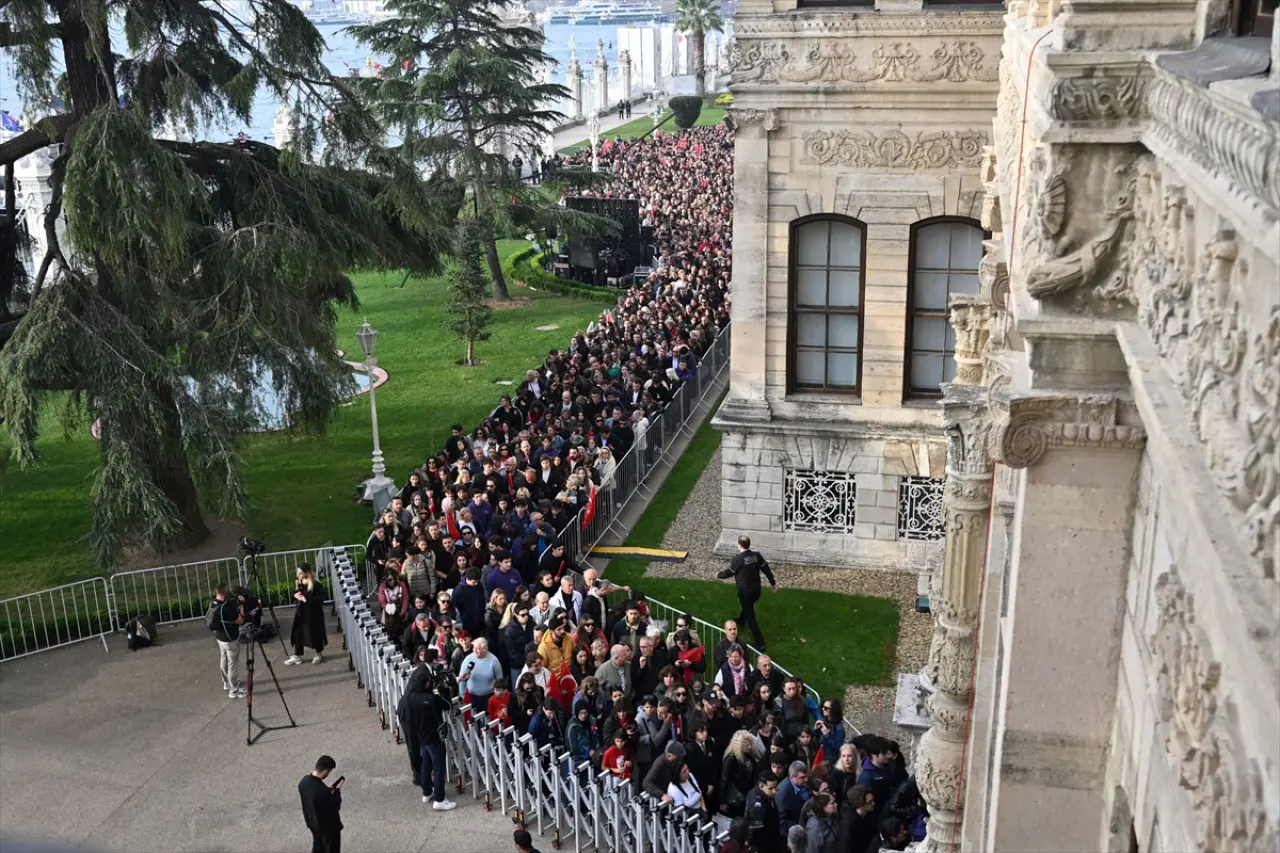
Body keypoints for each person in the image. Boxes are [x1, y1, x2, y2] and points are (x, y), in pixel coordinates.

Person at [716, 535, 777, 650]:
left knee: (751, 616)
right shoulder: (756, 556)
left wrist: (718, 575)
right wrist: (773, 583)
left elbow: (728, 572)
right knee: (747, 606)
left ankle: (760, 642)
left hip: (745, 592)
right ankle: (741, 620)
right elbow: (766, 569)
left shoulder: (738, 559)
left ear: (739, 545)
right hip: (756, 591)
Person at [206, 582, 244, 698]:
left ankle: (226, 683)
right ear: (225, 592)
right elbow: (240, 620)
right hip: (230, 638)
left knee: (224, 659)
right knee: (233, 663)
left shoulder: (213, 602)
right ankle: (234, 690)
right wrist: (241, 605)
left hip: (219, 637)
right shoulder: (226, 608)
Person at [298, 755, 343, 853]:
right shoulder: (322, 792)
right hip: (328, 830)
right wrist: (337, 791)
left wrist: (328, 791)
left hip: (313, 824)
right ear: (326, 771)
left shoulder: (303, 782)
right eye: (329, 771)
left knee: (318, 848)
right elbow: (335, 806)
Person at [286, 563, 327, 665]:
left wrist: (306, 599)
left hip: (313, 613)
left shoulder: (315, 584)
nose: (299, 575)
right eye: (298, 573)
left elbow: (320, 599)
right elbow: (295, 593)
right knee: (298, 632)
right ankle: (297, 655)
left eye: (301, 573)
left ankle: (318, 653)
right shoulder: (299, 582)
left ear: (306, 573)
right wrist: (296, 595)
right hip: (301, 612)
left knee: (314, 632)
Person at [458, 636, 504, 713]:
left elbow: (500, 680)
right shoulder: (468, 659)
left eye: (478, 648)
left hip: (489, 697)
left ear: (485, 649)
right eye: (474, 648)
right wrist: (462, 695)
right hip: (472, 697)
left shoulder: (494, 660)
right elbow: (461, 679)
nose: (475, 650)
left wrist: (499, 696)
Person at [745, 770, 782, 853]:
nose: (774, 791)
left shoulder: (761, 794)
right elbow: (755, 833)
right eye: (771, 788)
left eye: (776, 787)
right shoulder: (758, 808)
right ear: (761, 786)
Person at [775, 760, 811, 841]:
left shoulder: (801, 784)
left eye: (806, 776)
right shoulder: (783, 794)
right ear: (792, 777)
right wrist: (802, 826)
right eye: (802, 777)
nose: (806, 779)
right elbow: (782, 822)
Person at [837, 784, 878, 853]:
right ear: (860, 803)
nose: (873, 803)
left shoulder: (869, 815)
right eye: (869, 802)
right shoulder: (849, 823)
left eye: (873, 800)